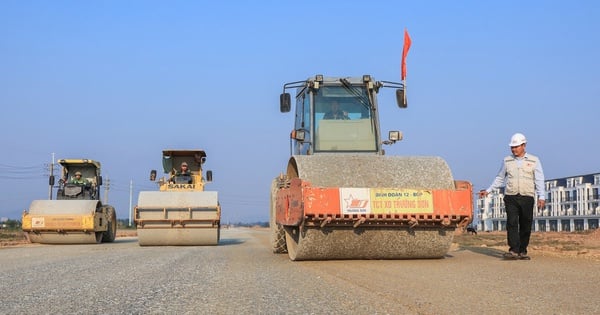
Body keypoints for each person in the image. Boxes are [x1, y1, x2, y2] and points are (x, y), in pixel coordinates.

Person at [479, 133, 545, 260]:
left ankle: (522, 250)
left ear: (524, 145)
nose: (514, 149)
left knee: (526, 223)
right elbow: (499, 178)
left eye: (516, 146)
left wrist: (541, 197)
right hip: (511, 197)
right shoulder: (507, 161)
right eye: (512, 147)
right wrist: (488, 190)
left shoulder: (534, 160)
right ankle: (514, 250)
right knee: (512, 223)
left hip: (527, 197)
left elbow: (539, 180)